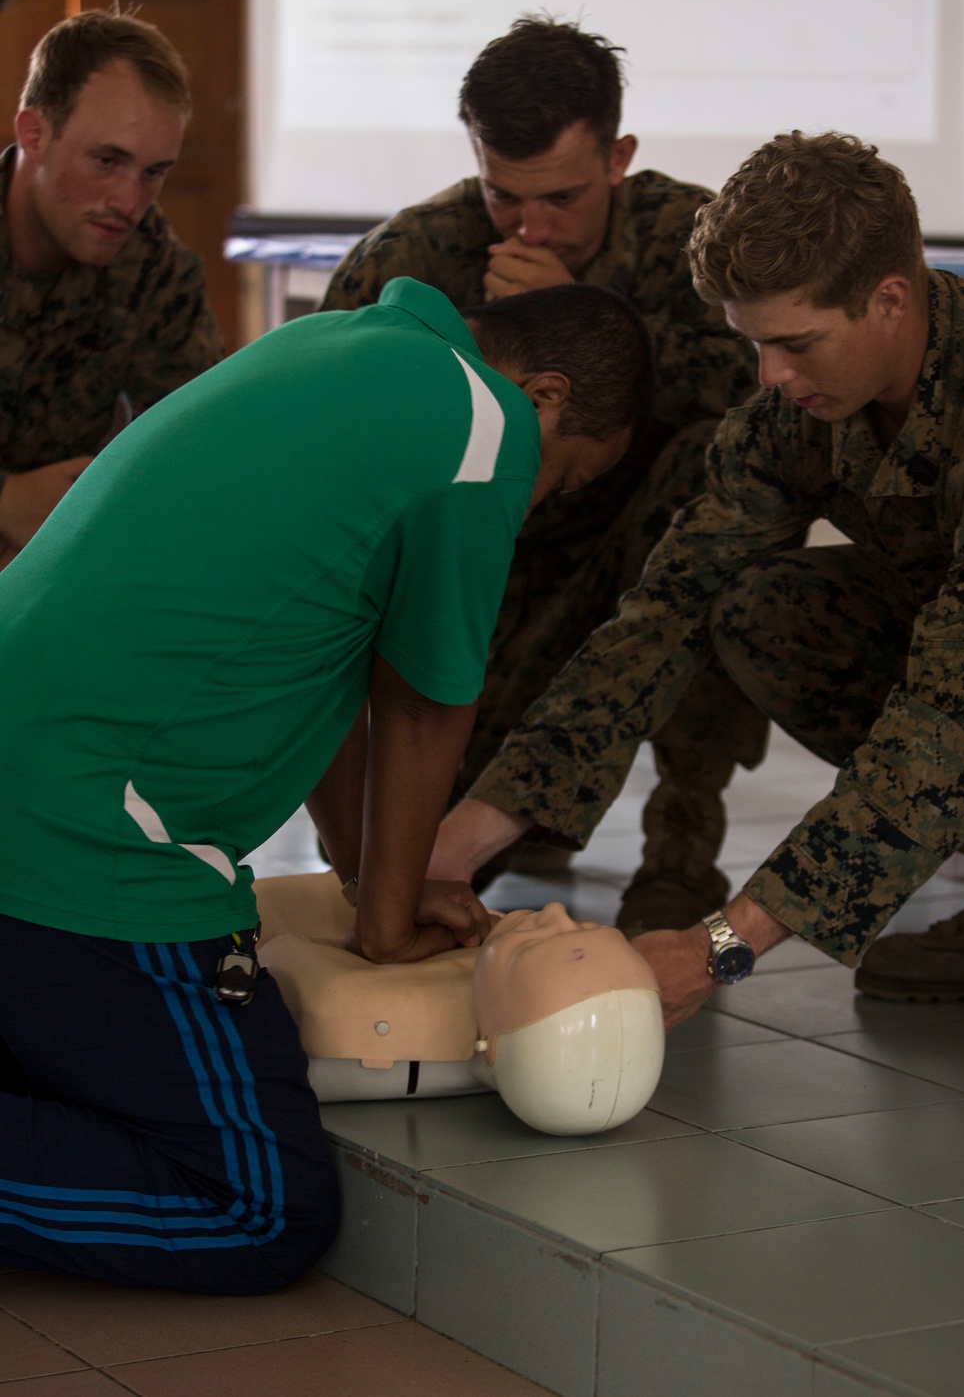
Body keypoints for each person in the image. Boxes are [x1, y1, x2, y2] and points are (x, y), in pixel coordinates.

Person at [0, 274, 652, 1292]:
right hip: (89, 839)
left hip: (34, 784)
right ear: (548, 397)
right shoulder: (485, 426)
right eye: (564, 479)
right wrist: (386, 926)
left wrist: (364, 873)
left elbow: (343, 670)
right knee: (263, 1205)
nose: (541, 496)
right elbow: (426, 703)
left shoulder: (333, 346)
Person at [430, 130, 964, 1021]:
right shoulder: (798, 408)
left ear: (891, 299)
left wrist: (721, 947)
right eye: (755, 345)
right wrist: (468, 834)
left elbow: (953, 720)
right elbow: (664, 612)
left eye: (797, 344)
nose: (772, 377)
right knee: (763, 609)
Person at [322, 16, 761, 933]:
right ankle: (505, 823)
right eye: (501, 195)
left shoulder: (695, 240)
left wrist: (591, 330)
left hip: (643, 539)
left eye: (559, 197)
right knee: (435, 860)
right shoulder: (413, 258)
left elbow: (763, 391)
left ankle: (681, 850)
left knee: (720, 490)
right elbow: (339, 458)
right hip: (488, 573)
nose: (528, 226)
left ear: (618, 157)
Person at [0, 9, 223, 567]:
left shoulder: (154, 269)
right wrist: (4, 501)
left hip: (54, 577)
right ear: (34, 133)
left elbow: (197, 456)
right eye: (106, 161)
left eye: (153, 173)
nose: (128, 202)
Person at [253, 872, 664, 1136]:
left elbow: (279, 957)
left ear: (491, 1041)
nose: (556, 910)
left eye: (532, 942)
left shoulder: (357, 1005)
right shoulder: (504, 979)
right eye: (586, 925)